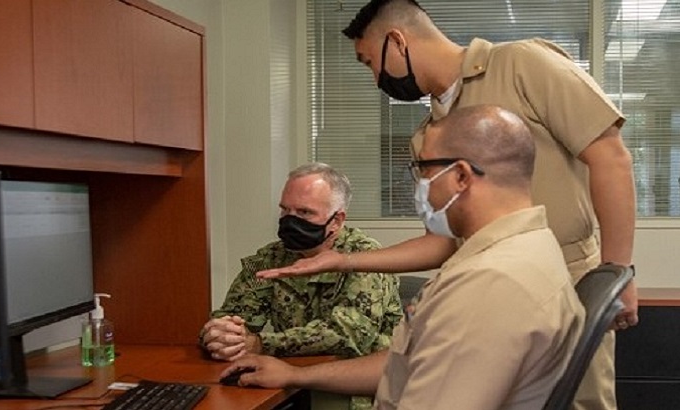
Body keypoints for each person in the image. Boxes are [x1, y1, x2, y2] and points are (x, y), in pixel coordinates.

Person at [261, 1, 638, 409]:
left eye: (370, 62)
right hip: (490, 280)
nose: (375, 80)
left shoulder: (522, 65)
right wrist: (342, 260)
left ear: (398, 41)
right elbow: (441, 241)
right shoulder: (430, 134)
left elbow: (609, 157)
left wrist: (617, 272)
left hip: (565, 275)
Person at [227, 104, 586, 409]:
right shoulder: (524, 250)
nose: (420, 187)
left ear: (460, 175)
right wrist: (294, 374)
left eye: (424, 170)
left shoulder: (491, 283)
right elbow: (410, 364)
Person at [199, 162, 403, 410]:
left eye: (305, 213)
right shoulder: (270, 258)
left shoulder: (364, 257)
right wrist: (220, 335)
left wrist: (260, 344)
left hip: (357, 391)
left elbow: (346, 336)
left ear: (336, 221)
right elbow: (231, 316)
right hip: (290, 383)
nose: (290, 221)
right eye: (286, 211)